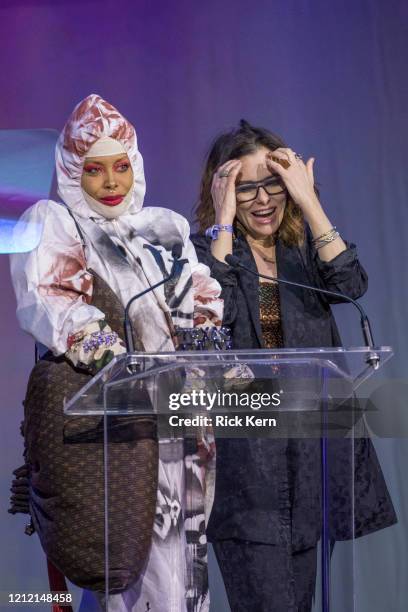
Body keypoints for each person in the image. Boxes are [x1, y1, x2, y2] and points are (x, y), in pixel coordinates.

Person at [10, 94, 223, 612]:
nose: (111, 183)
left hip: (180, 430)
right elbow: (57, 304)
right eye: (95, 170)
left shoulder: (164, 232)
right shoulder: (59, 226)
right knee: (122, 573)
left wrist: (204, 356)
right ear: (71, 173)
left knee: (180, 575)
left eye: (121, 167)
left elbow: (203, 307)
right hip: (114, 432)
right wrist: (118, 364)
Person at [191, 120, 397, 612]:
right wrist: (222, 217)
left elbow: (351, 284)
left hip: (312, 458)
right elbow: (211, 315)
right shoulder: (206, 252)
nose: (263, 200)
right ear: (223, 190)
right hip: (246, 468)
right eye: (246, 189)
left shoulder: (303, 248)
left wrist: (309, 201)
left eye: (274, 185)